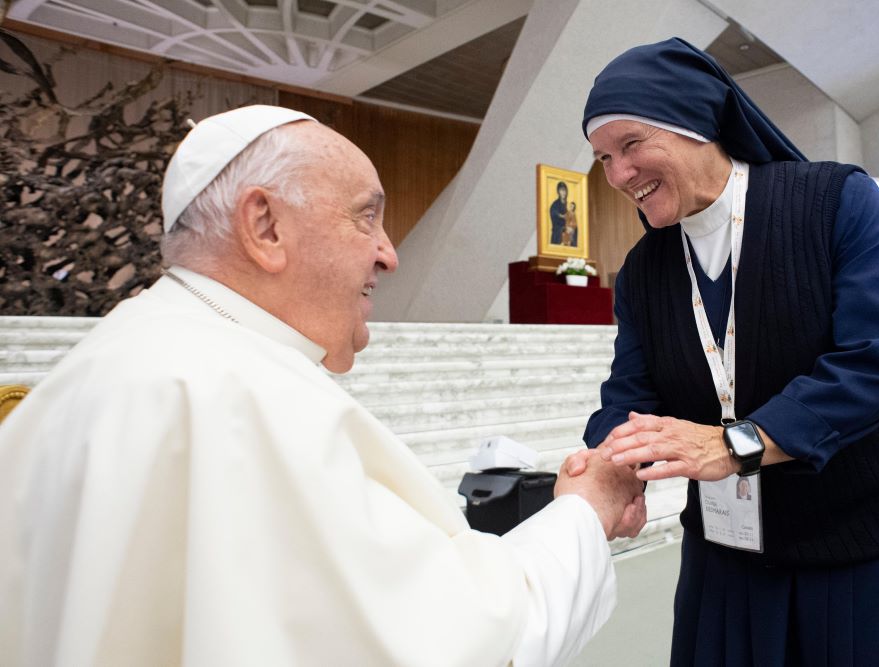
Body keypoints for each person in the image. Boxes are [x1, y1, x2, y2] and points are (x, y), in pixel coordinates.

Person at [0, 105, 646, 667]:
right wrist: (586, 507)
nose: (389, 253)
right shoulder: (235, 396)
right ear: (265, 225)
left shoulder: (123, 353)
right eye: (367, 217)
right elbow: (466, 638)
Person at [567, 38, 879, 665]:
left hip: (867, 543)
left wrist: (731, 445)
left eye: (631, 145)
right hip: (732, 556)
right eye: (603, 157)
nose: (617, 175)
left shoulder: (836, 203)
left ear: (695, 122)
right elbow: (630, 393)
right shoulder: (644, 270)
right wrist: (610, 464)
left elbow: (872, 363)